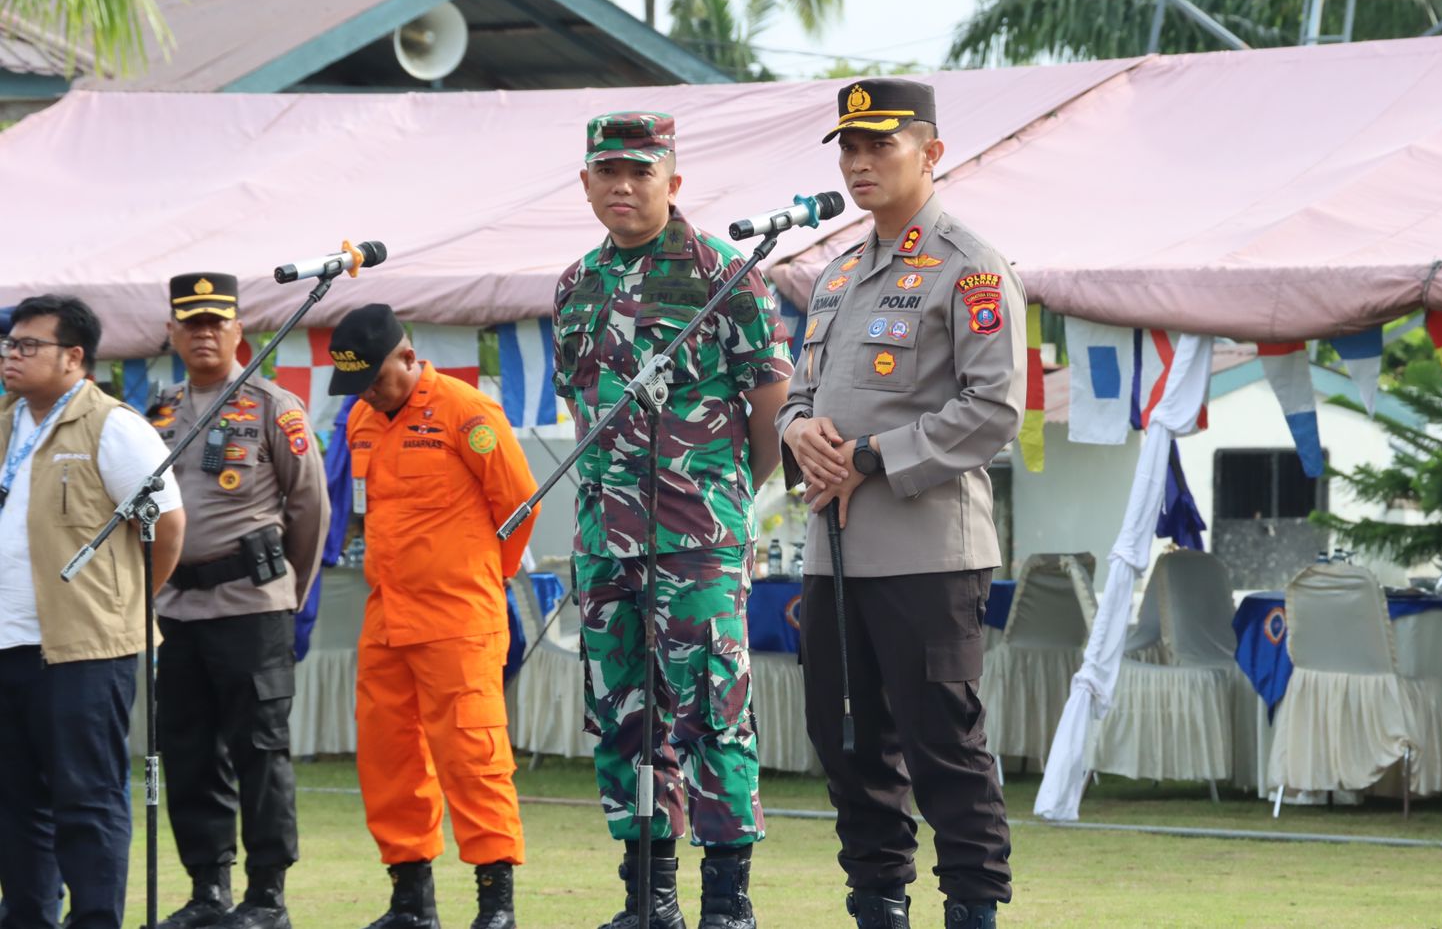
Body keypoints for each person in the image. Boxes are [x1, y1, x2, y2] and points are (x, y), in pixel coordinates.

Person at [776, 79, 1025, 929]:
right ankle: (878, 907)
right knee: (845, 743)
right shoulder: (838, 274)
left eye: (880, 144)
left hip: (927, 552)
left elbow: (993, 408)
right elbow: (798, 395)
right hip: (834, 551)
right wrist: (798, 432)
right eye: (849, 147)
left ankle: (972, 910)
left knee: (942, 747)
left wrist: (871, 457)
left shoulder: (971, 267)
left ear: (932, 152)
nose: (859, 162)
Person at [552, 112, 792, 929]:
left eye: (640, 171)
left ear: (673, 181)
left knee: (712, 712)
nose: (622, 186)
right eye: (607, 171)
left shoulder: (724, 273)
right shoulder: (576, 284)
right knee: (623, 716)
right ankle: (648, 899)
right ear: (586, 182)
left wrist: (722, 499)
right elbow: (583, 410)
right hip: (604, 541)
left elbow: (772, 405)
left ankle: (727, 900)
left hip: (698, 540)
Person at [333, 303, 537, 929]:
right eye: (357, 383)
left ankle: (495, 905)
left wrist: (481, 579)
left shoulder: (466, 411)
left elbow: (519, 506)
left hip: (459, 618)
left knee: (473, 757)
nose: (367, 393)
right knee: (387, 757)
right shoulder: (361, 419)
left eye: (374, 378)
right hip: (386, 618)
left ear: (407, 355)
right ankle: (411, 903)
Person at [146, 274, 331, 929]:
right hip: (178, 611)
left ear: (237, 331)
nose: (203, 334)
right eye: (191, 323)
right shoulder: (158, 413)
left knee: (260, 753)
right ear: (171, 332)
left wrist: (287, 595)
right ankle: (208, 890)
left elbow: (310, 509)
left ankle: (266, 896)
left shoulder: (274, 406)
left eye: (214, 323)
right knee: (189, 753)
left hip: (251, 608)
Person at [0, 294, 187, 929]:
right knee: (14, 803)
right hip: (7, 645)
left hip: (84, 649)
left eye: (29, 345)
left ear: (73, 357)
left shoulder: (113, 426)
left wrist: (123, 608)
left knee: (86, 800)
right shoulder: (6, 422)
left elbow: (167, 527)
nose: (12, 355)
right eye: (10, 344)